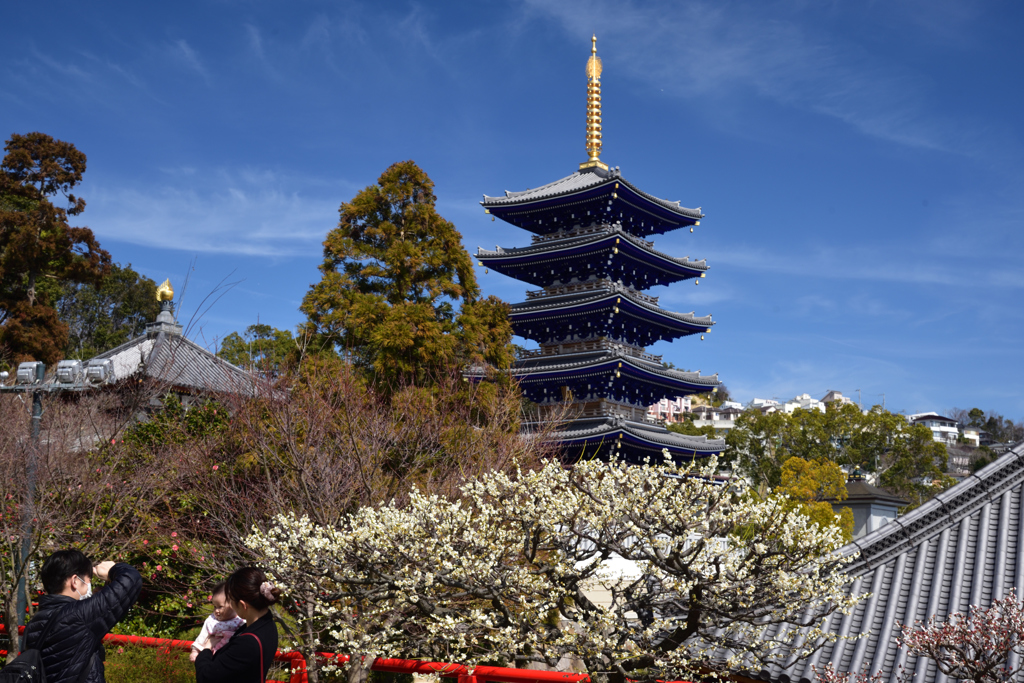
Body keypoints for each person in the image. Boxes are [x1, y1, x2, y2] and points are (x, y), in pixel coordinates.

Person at [23, 549, 142, 683]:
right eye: (88, 581)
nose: (89, 587)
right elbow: (132, 579)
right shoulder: (78, 617)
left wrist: (92, 602)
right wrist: (113, 569)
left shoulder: (35, 622)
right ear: (75, 581)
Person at [194, 567, 280, 683]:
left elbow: (205, 677)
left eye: (231, 602)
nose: (231, 606)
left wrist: (206, 649)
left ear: (243, 605)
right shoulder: (268, 624)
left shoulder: (248, 643)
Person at [190, 581, 245, 662]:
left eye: (220, 607)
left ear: (232, 604)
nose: (216, 611)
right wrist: (195, 651)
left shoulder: (240, 620)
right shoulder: (212, 621)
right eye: (215, 607)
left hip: (231, 655)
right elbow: (202, 637)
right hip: (214, 655)